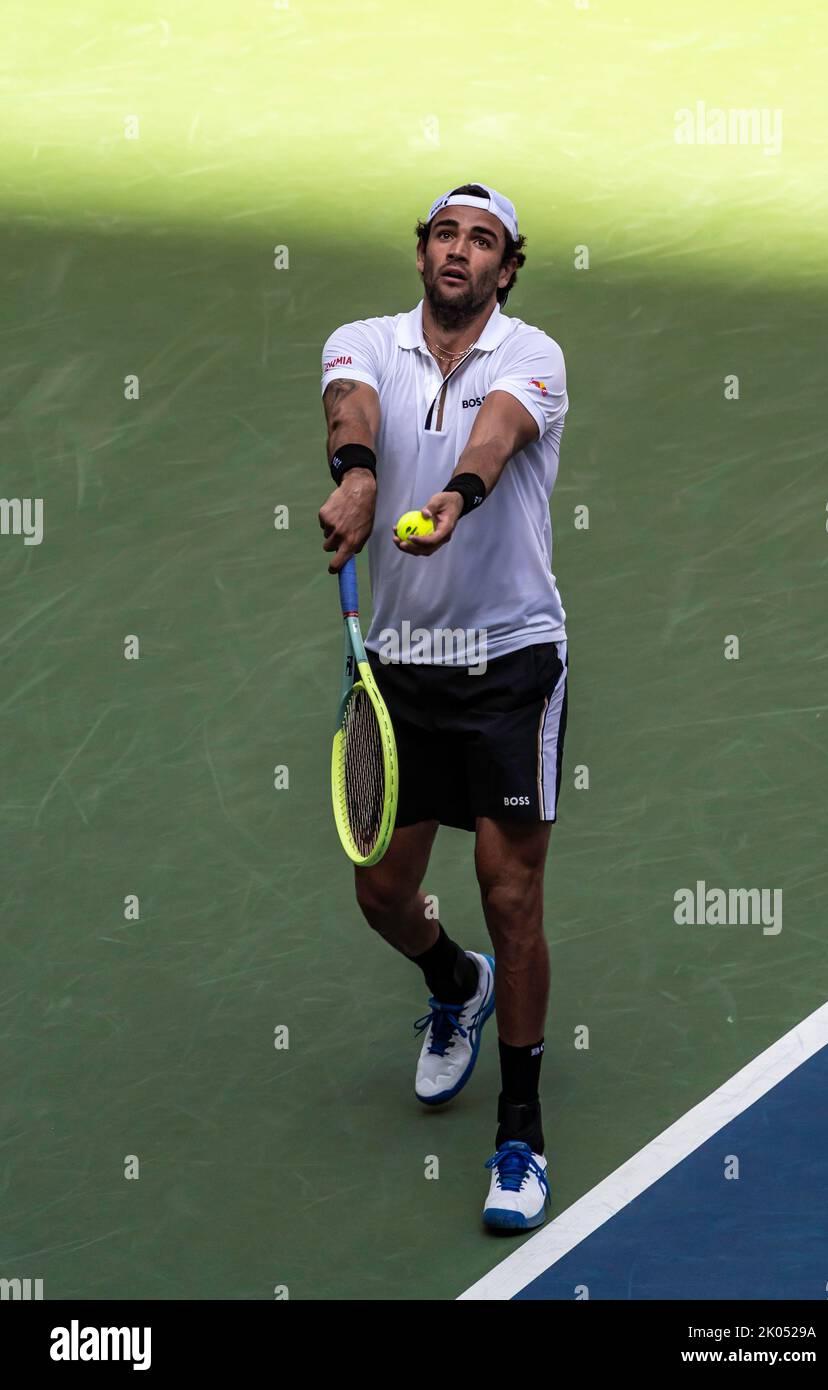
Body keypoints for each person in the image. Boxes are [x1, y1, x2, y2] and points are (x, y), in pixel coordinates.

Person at [318, 183, 569, 1229]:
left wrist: (451, 502)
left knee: (508, 892)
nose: (460, 251)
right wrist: (360, 477)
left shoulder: (533, 354)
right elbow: (351, 409)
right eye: (445, 235)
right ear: (420, 253)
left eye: (483, 241)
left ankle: (519, 1132)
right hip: (403, 663)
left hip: (510, 658)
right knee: (381, 894)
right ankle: (450, 977)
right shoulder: (364, 340)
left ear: (505, 268)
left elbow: (496, 438)